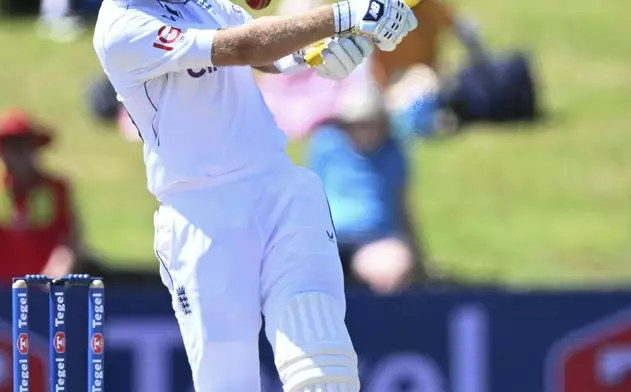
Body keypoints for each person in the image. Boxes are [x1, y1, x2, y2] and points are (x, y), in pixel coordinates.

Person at [93, 0, 418, 391]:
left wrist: (314, 54)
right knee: (228, 382)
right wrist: (344, 15)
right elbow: (243, 46)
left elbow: (265, 55)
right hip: (202, 212)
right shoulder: (122, 26)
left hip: (278, 187)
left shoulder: (198, 2)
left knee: (324, 364)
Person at [307, 84, 425, 294]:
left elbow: (401, 204)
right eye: (357, 124)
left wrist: (418, 252)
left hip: (376, 240)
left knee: (391, 268)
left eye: (370, 123)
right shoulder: (326, 145)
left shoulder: (393, 153)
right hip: (328, 240)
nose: (364, 131)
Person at [0, 109, 81, 284]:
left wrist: (60, 266)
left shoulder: (56, 189)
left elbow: (70, 235)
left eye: (26, 146)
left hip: (44, 287)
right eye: (13, 147)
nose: (21, 154)